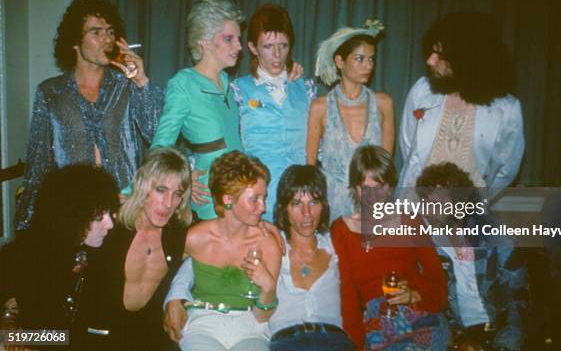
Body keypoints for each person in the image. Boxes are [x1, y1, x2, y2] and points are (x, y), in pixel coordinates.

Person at [164, 164, 355, 351]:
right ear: (284, 208)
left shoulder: (336, 242)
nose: (307, 214)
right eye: (296, 203)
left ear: (324, 205)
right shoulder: (271, 244)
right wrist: (175, 296)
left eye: (314, 202)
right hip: (286, 341)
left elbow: (376, 237)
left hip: (334, 341)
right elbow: (196, 262)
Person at [14, 0, 164, 231]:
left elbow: (157, 132)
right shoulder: (51, 92)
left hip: (123, 207)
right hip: (73, 210)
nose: (107, 39)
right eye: (96, 32)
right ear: (75, 41)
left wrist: (142, 81)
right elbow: (39, 159)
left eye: (111, 31)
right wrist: (27, 222)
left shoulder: (125, 86)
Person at [331, 145, 448, 351]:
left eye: (380, 187)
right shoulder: (342, 231)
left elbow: (438, 284)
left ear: (391, 187)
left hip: (419, 313)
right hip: (377, 322)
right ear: (353, 188)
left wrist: (415, 295)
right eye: (364, 188)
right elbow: (347, 301)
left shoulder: (411, 222)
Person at [163, 151, 281, 351]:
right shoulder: (194, 238)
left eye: (264, 197)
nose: (263, 207)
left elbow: (262, 317)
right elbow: (170, 272)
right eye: (254, 199)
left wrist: (268, 287)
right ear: (228, 199)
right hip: (202, 324)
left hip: (251, 328)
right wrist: (174, 298)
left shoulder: (268, 244)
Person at [398, 12, 524, 197]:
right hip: (415, 208)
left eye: (439, 54)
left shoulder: (507, 109)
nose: (430, 60)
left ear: (466, 60)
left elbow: (507, 169)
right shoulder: (422, 91)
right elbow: (408, 147)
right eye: (431, 52)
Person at [83, 147, 192, 351]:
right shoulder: (108, 225)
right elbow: (41, 263)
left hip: (150, 335)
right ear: (142, 186)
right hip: (97, 334)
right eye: (161, 190)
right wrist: (16, 330)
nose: (168, 203)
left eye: (177, 194)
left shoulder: (178, 233)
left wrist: (177, 296)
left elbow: (216, 249)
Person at [1, 165, 119, 350]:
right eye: (98, 216)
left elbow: (88, 335)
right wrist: (12, 328)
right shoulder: (22, 258)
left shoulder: (107, 257)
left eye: (109, 212)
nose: (110, 224)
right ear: (71, 216)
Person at [415, 162, 528, 351]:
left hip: (499, 331)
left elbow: (518, 303)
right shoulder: (428, 247)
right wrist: (458, 342)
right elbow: (430, 307)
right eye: (426, 201)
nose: (429, 211)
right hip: (456, 336)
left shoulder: (498, 237)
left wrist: (504, 346)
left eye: (438, 202)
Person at [151, 0, 245, 220]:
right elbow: (160, 147)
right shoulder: (184, 83)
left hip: (242, 188)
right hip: (211, 194)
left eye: (238, 39)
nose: (239, 46)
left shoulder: (227, 81)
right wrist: (182, 178)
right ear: (205, 42)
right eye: (229, 39)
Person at [230, 4, 316, 222]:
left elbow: (319, 145)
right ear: (253, 47)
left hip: (301, 197)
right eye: (268, 46)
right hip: (259, 198)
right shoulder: (238, 89)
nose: (277, 55)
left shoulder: (305, 88)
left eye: (283, 45)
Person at [308, 20, 394, 221]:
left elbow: (386, 168)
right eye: (360, 59)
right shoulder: (320, 107)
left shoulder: (383, 103)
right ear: (340, 61)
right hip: (331, 205)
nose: (368, 66)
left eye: (371, 60)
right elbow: (310, 168)